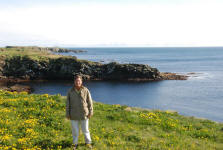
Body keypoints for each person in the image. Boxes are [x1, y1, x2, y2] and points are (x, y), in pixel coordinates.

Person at [66, 75, 93, 149]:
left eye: (79, 81)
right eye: (76, 81)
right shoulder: (70, 91)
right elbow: (67, 104)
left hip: (84, 114)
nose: (78, 82)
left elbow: (90, 102)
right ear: (74, 82)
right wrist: (67, 114)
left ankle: (88, 143)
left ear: (81, 82)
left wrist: (91, 112)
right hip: (73, 115)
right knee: (75, 131)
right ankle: (75, 144)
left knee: (86, 130)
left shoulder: (86, 90)